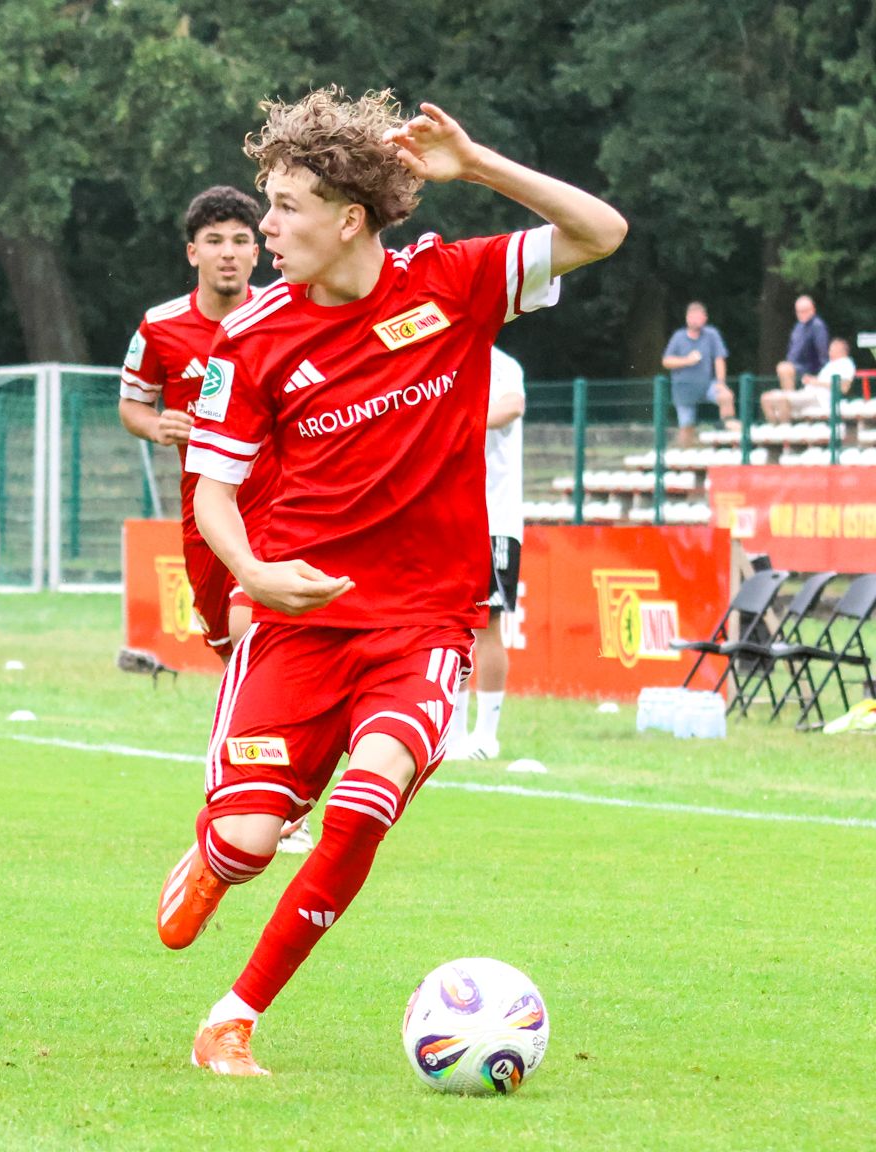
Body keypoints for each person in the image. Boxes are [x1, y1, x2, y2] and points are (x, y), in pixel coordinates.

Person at [160, 88, 624, 1077]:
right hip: (300, 625)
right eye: (266, 204)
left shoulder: (451, 284)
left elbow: (602, 231)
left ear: (349, 217)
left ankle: (233, 1018)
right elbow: (211, 496)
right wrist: (249, 575)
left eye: (285, 207)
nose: (266, 229)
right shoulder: (250, 339)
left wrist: (481, 165)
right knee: (246, 845)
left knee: (369, 795)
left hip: (424, 625)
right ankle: (216, 857)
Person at [117, 184, 310, 855]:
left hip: (280, 507)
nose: (230, 254)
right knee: (233, 651)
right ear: (192, 251)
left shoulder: (289, 314)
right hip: (207, 511)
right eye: (216, 241)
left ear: (259, 250)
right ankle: (266, 783)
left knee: (254, 632)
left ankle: (270, 797)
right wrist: (158, 424)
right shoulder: (160, 327)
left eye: (241, 240)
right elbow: (133, 405)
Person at [447, 346, 526, 761]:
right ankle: (455, 735)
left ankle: (487, 734)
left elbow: (511, 407)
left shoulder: (502, 364)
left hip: (493, 520)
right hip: (449, 516)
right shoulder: (442, 356)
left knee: (486, 625)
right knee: (453, 626)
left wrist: (455, 418)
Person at [660, 302, 734, 447]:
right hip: (684, 389)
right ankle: (684, 459)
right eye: (693, 317)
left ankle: (729, 434)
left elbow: (719, 359)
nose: (696, 320)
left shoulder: (711, 334)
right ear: (687, 318)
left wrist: (720, 382)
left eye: (699, 317)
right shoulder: (678, 337)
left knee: (726, 396)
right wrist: (687, 360)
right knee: (686, 426)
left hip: (707, 385)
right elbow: (666, 361)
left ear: (705, 318)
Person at [766, 295, 830, 423]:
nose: (802, 314)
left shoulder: (817, 326)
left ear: (812, 310)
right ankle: (787, 401)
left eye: (805, 311)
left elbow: (822, 351)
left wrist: (821, 372)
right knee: (783, 367)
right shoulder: (798, 327)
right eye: (799, 311)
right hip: (795, 365)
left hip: (810, 367)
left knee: (784, 368)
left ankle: (790, 402)